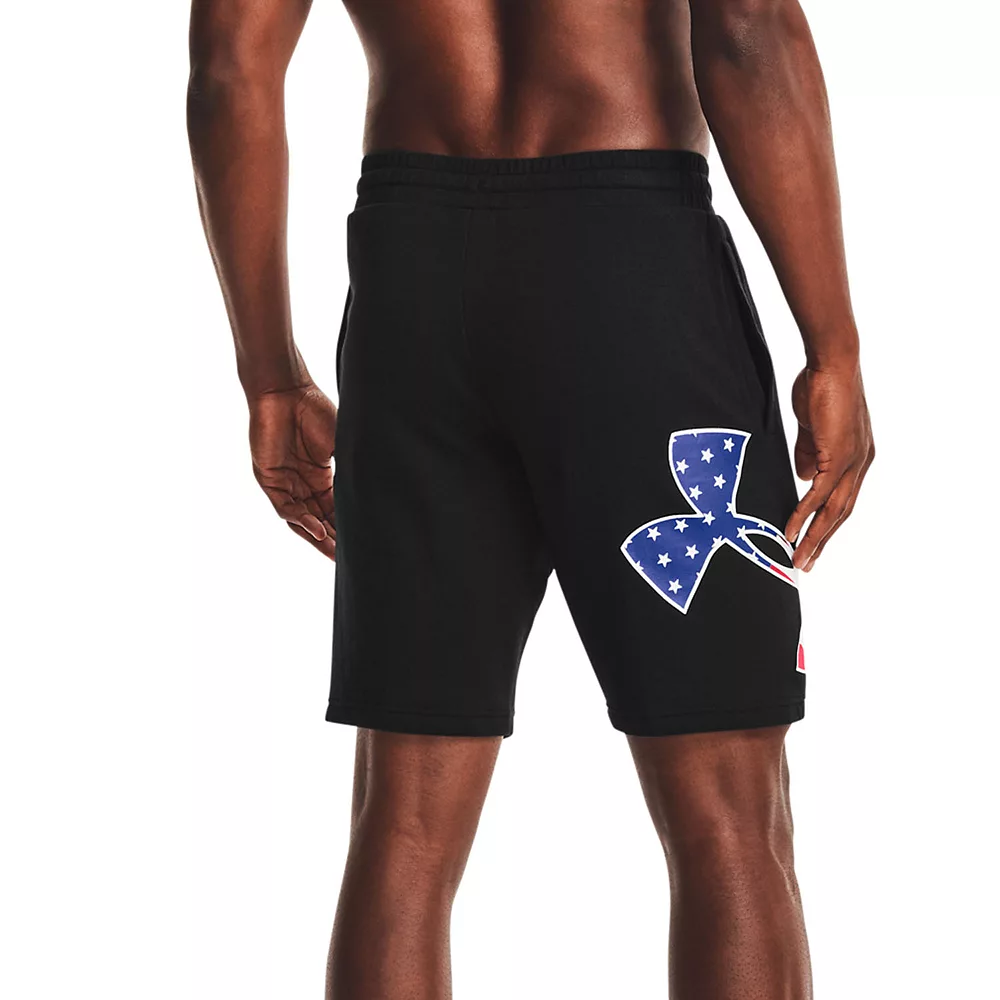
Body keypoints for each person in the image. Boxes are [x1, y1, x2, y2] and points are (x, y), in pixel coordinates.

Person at [186, 0, 874, 995]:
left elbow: (228, 69)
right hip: (633, 270)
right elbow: (746, 25)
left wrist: (269, 374)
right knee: (729, 813)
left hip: (415, 279)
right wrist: (833, 345)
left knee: (405, 823)